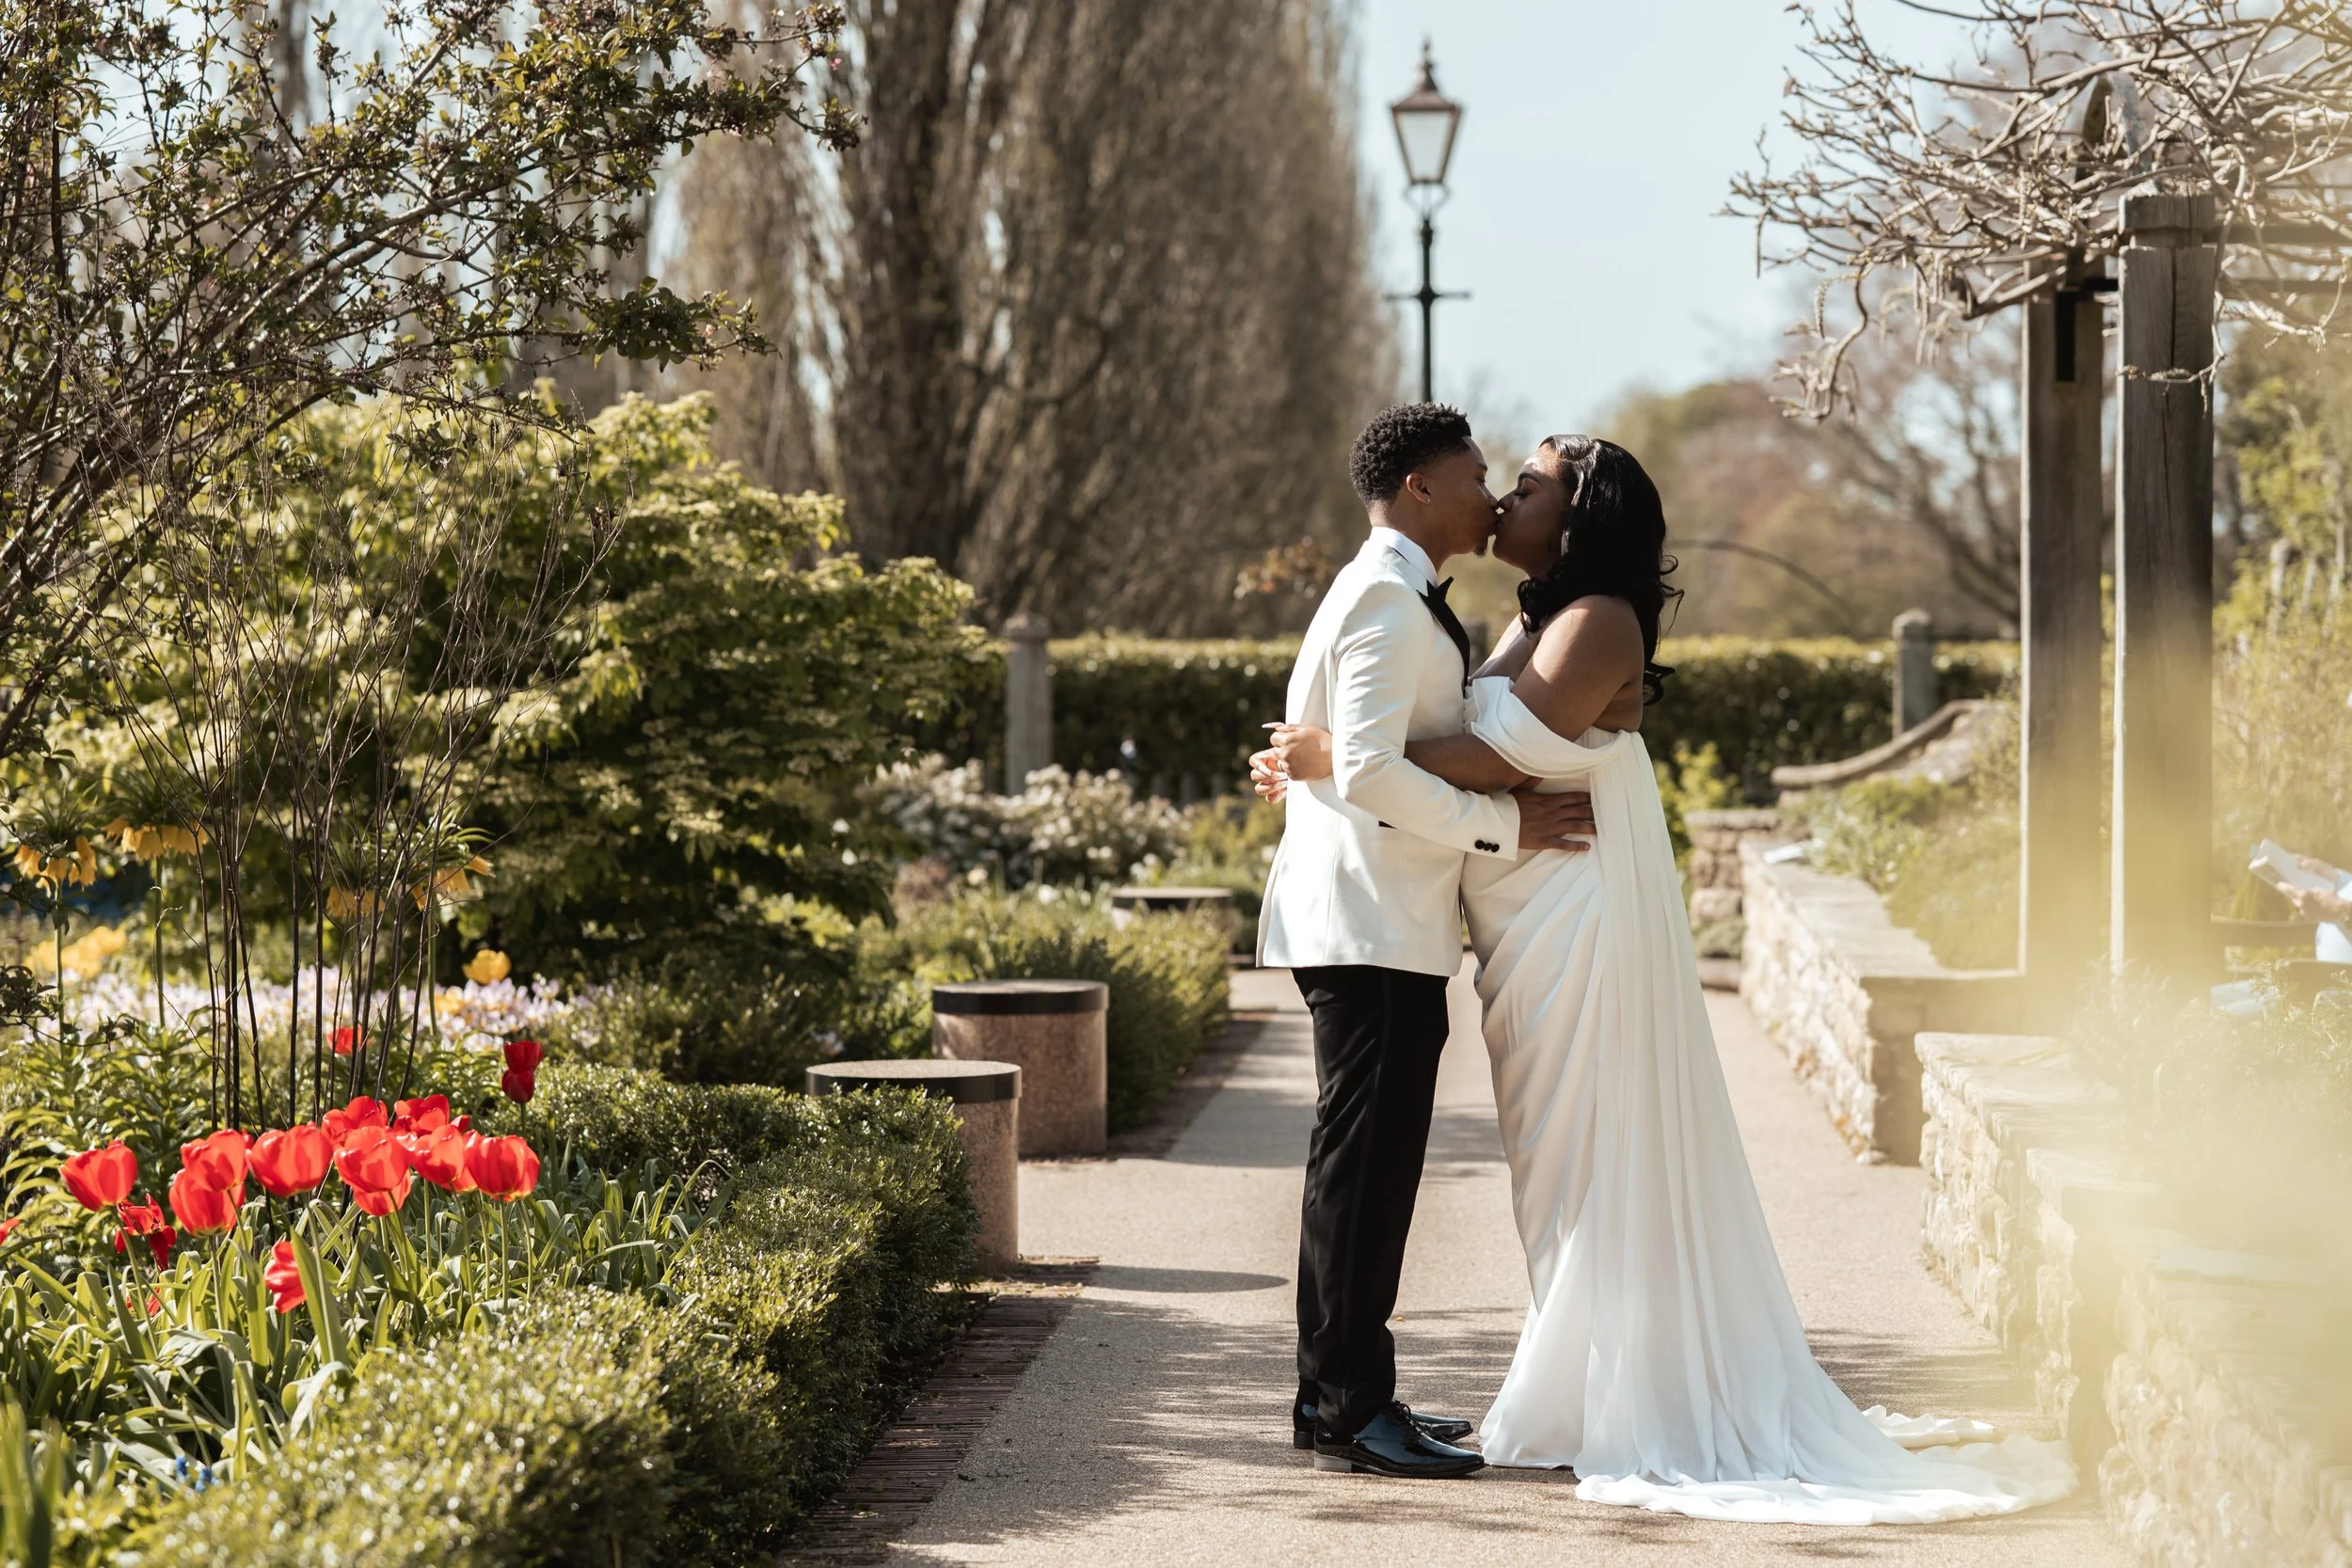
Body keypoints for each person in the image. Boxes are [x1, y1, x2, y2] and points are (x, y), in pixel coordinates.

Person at [1254, 434, 2077, 1523]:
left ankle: (1563, 1387)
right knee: (1536, 1160)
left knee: (1588, 1146)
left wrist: (1338, 753)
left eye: (1534, 483)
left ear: (1581, 513)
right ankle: (1427, 1390)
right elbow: (1441, 740)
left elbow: (1490, 752)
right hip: (1517, 917)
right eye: (1498, 477)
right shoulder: (1530, 612)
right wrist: (1353, 752)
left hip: (1574, 916)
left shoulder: (1596, 621)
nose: (1507, 493)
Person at [1257, 404, 1600, 1481]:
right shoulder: (1384, 601)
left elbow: (1351, 754)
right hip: (1367, 925)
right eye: (1475, 472)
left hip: (1376, 921)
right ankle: (1355, 1407)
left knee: (1357, 1170)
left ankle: (1335, 1398)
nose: (1492, 490)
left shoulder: (1390, 592)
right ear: (1419, 488)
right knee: (1366, 1174)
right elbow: (1364, 770)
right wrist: (1504, 824)